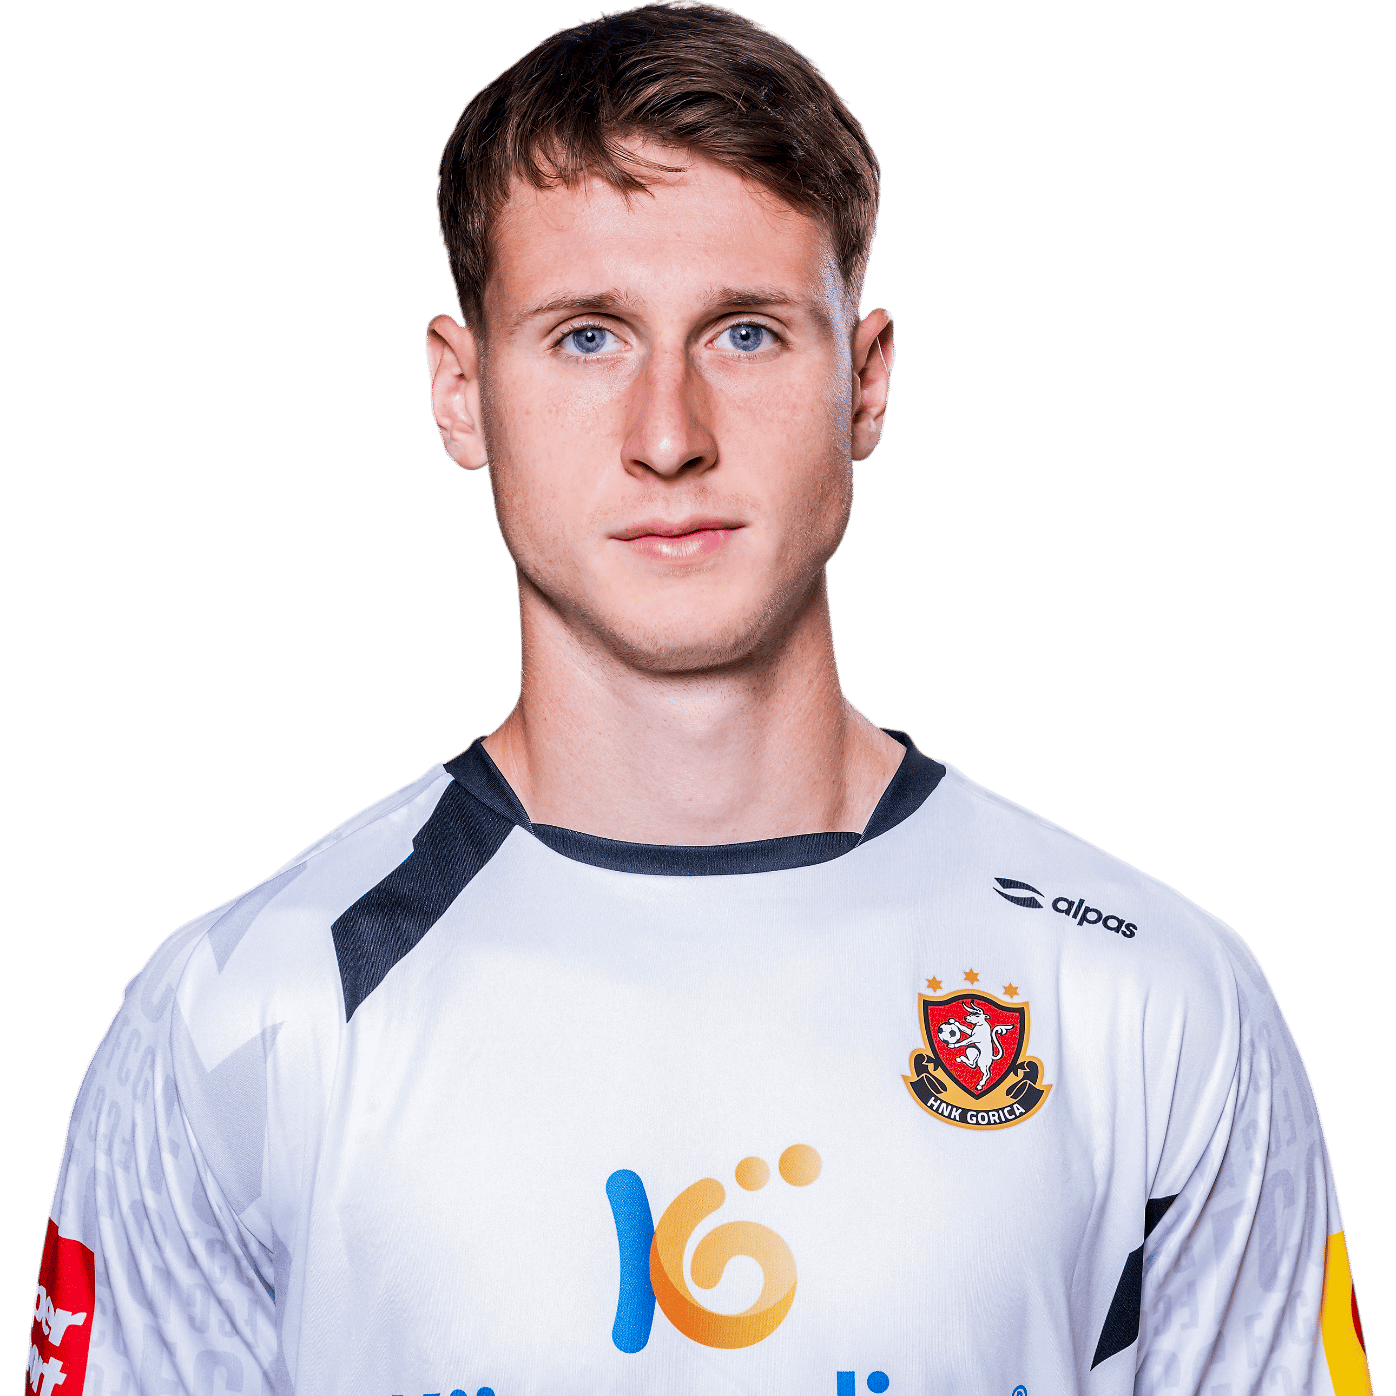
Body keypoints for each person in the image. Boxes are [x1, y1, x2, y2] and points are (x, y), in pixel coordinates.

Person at [26, 5, 1371, 1395]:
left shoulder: (1151, 993)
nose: (668, 436)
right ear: (460, 391)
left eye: (745, 333)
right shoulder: (247, 1010)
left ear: (865, 382)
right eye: (587, 337)